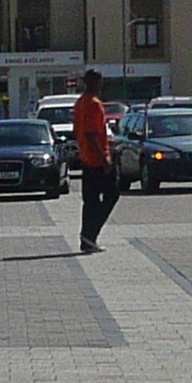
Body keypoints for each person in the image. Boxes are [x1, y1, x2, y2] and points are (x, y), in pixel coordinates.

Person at [72, 68, 123, 254]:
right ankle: (90, 234)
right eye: (100, 82)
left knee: (90, 200)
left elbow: (77, 130)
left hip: (86, 157)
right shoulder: (94, 104)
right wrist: (105, 159)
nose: (101, 85)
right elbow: (92, 135)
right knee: (112, 195)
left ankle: (86, 239)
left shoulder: (80, 103)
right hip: (96, 160)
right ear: (94, 83)